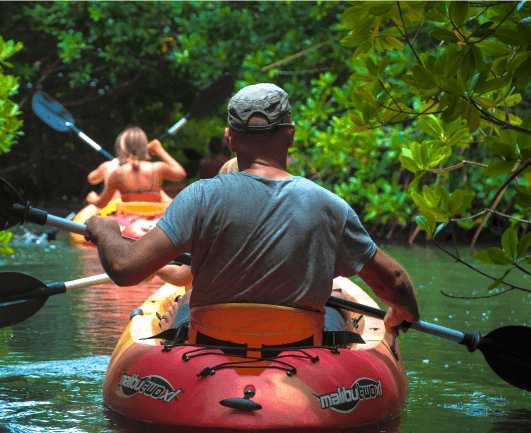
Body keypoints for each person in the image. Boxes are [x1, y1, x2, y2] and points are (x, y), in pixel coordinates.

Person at [85, 83, 420, 339]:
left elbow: (125, 269)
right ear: (290, 135)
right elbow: (395, 279)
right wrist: (401, 312)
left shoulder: (197, 197)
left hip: (212, 344)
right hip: (298, 347)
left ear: (230, 139)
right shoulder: (330, 206)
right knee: (333, 307)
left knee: (183, 304)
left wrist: (105, 230)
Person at [85, 126, 186, 208]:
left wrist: (93, 198)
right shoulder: (157, 168)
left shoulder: (116, 173)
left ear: (122, 148)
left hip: (128, 220)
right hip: (155, 217)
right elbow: (181, 174)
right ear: (144, 147)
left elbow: (101, 204)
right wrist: (159, 150)